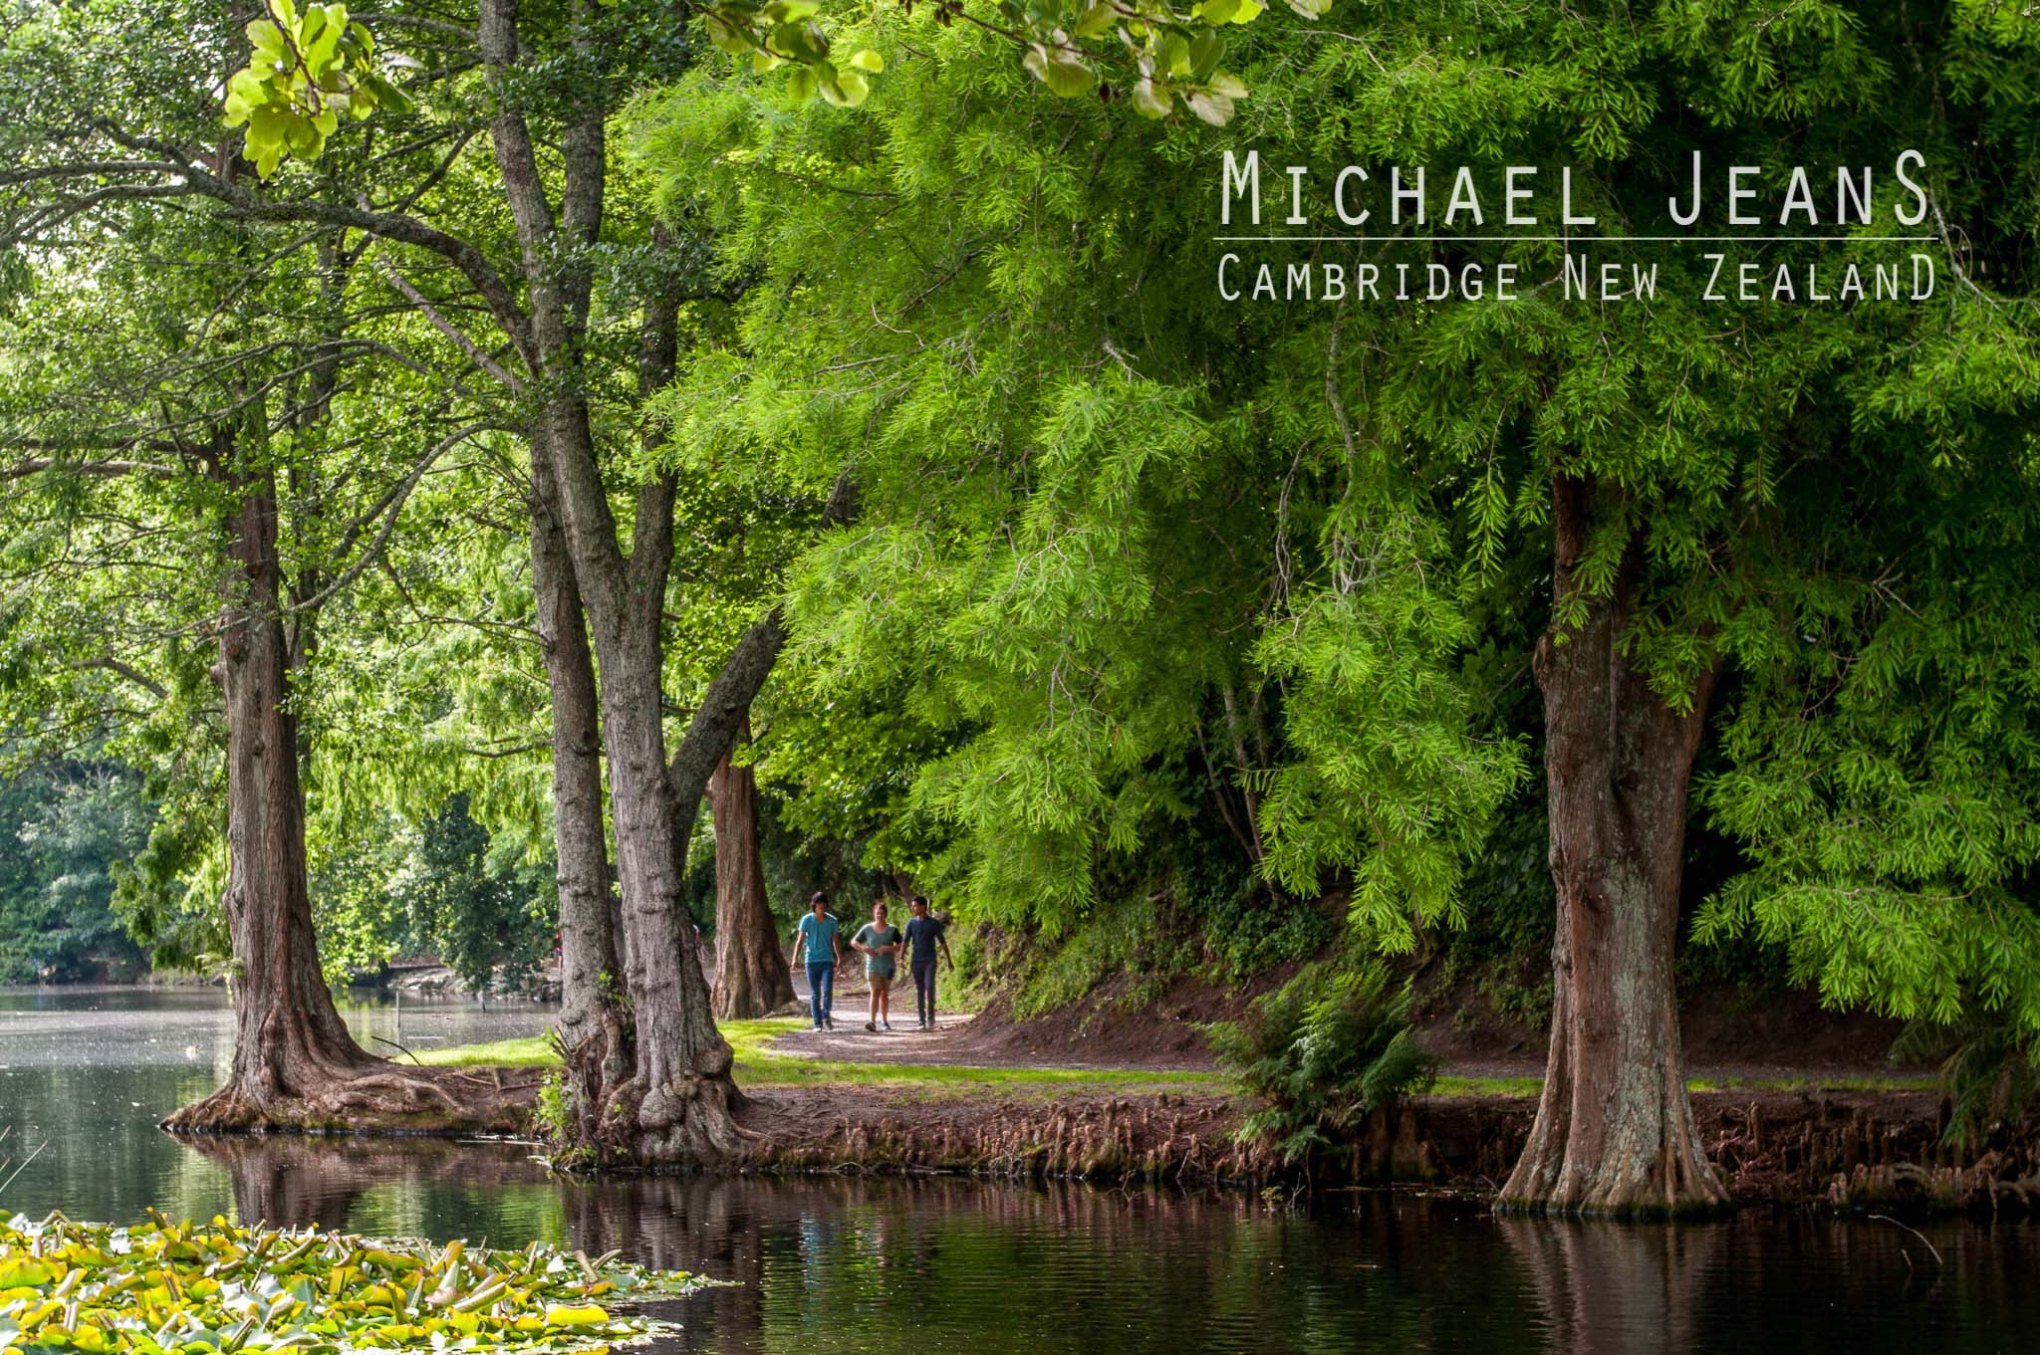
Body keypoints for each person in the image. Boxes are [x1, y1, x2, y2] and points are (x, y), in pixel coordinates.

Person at [850, 898, 904, 1032]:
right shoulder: (867, 929)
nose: (879, 915)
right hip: (872, 966)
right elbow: (854, 942)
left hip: (888, 966)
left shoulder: (892, 930)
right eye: (877, 913)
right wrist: (864, 949)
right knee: (875, 992)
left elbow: (902, 945)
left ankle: (884, 1021)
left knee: (885, 994)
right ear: (874, 914)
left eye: (882, 913)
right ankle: (872, 1021)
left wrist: (888, 948)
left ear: (886, 914)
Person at [791, 891, 842, 1031]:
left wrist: (840, 959)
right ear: (814, 905)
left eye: (824, 903)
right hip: (811, 961)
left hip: (826, 960)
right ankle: (817, 1023)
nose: (822, 906)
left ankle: (826, 1016)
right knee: (815, 993)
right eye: (819, 903)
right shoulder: (807, 920)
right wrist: (795, 958)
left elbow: (836, 941)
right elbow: (800, 940)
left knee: (827, 990)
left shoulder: (832, 921)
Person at [902, 895, 953, 1031]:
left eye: (915, 905)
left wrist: (949, 960)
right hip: (916, 960)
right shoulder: (911, 923)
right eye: (912, 906)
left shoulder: (933, 923)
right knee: (920, 989)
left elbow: (942, 942)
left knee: (929, 986)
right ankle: (921, 1020)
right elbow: (905, 941)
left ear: (923, 906)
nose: (913, 908)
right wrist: (901, 957)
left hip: (930, 959)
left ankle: (931, 1016)